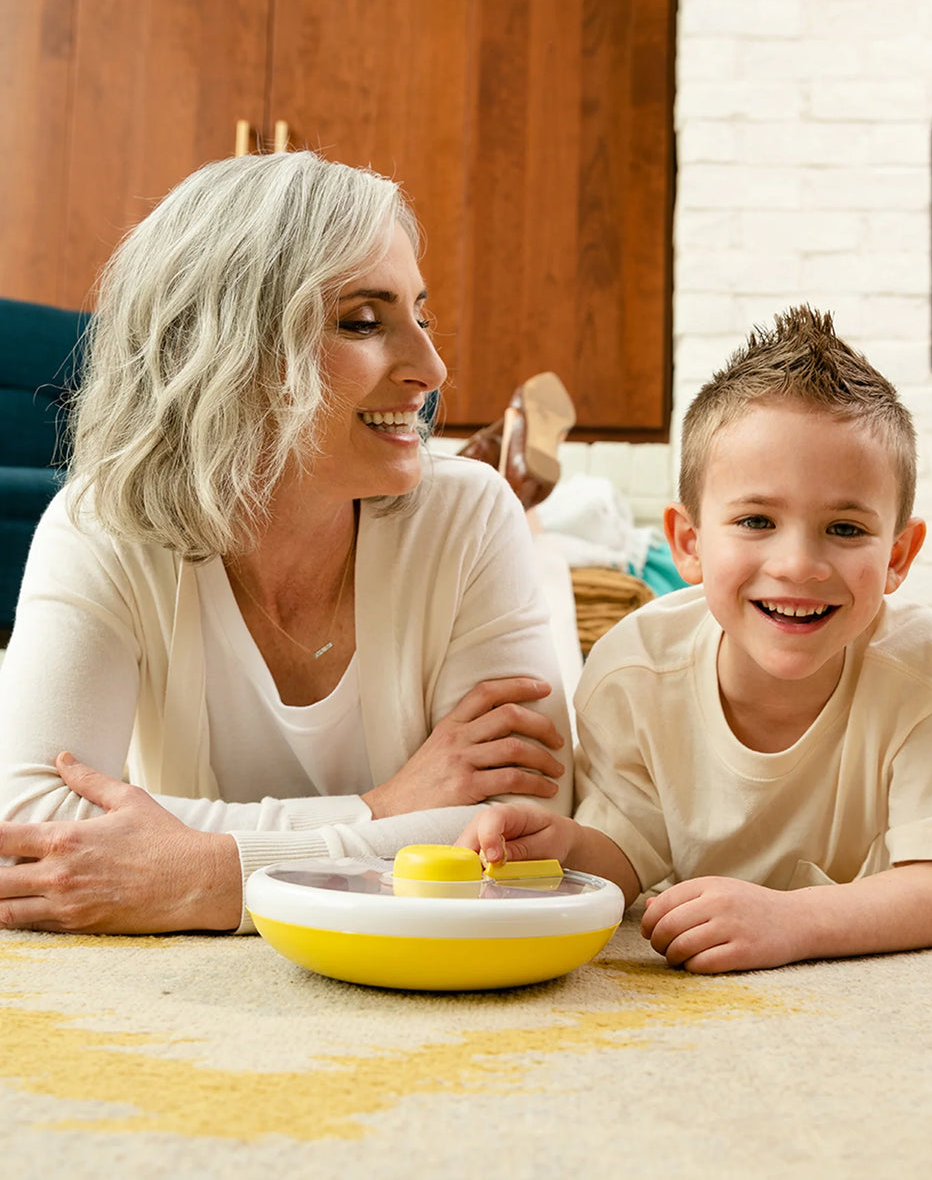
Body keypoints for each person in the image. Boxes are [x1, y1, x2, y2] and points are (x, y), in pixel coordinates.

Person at [0, 151, 572, 935]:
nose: (433, 367)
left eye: (421, 314)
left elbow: (521, 832)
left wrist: (210, 876)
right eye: (364, 321)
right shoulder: (103, 524)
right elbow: (33, 829)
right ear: (228, 354)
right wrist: (384, 810)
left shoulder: (471, 515)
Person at [458, 306, 932, 973]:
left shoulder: (931, 674)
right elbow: (627, 851)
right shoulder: (632, 672)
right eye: (756, 519)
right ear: (688, 543)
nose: (798, 564)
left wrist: (791, 921)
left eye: (845, 528)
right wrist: (557, 845)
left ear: (898, 554)